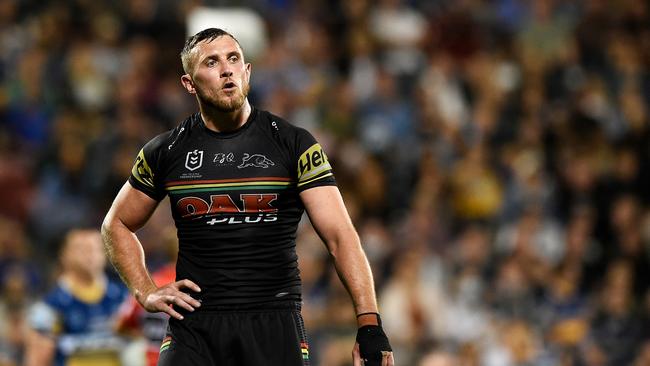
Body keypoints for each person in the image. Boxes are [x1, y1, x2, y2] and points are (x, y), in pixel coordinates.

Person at [101, 28, 393, 366]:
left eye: (233, 59)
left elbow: (341, 237)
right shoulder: (167, 150)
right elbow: (116, 224)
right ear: (189, 84)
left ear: (248, 71)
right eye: (211, 62)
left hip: (274, 323)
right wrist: (145, 289)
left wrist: (369, 324)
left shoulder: (293, 144)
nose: (226, 69)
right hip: (194, 326)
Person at [24, 229, 128, 366]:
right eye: (82, 248)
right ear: (64, 255)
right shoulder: (50, 308)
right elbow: (37, 361)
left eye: (96, 248)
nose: (90, 254)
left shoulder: (125, 298)